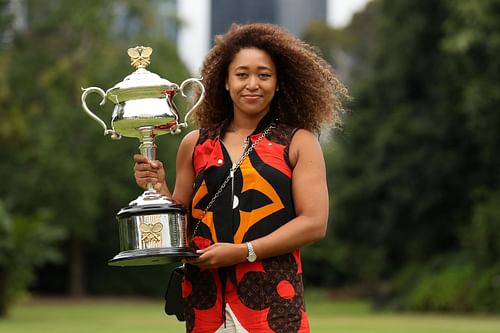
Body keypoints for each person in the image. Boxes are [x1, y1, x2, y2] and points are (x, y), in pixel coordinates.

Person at [133, 23, 348, 333]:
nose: (252, 84)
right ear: (224, 81)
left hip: (273, 306)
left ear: (278, 84)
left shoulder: (300, 143)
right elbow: (180, 226)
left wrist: (244, 251)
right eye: (242, 74)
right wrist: (158, 187)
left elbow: (314, 223)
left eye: (264, 75)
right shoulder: (194, 144)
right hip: (205, 303)